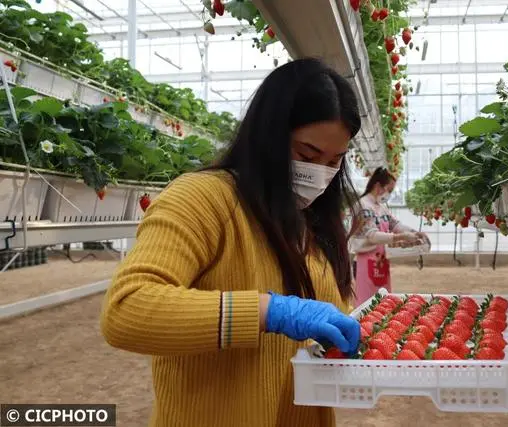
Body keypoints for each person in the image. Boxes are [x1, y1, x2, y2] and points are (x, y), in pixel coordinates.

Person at [100, 58, 363, 427]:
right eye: (307, 155)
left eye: (336, 160)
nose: (321, 174)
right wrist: (268, 312)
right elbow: (126, 311)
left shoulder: (311, 221)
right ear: (268, 136)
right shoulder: (202, 198)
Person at [349, 167, 430, 307]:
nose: (389, 194)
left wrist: (414, 232)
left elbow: (395, 224)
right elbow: (372, 236)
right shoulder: (362, 205)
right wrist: (401, 237)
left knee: (382, 301)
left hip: (381, 260)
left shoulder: (381, 207)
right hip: (365, 261)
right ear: (378, 186)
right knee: (366, 304)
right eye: (389, 190)